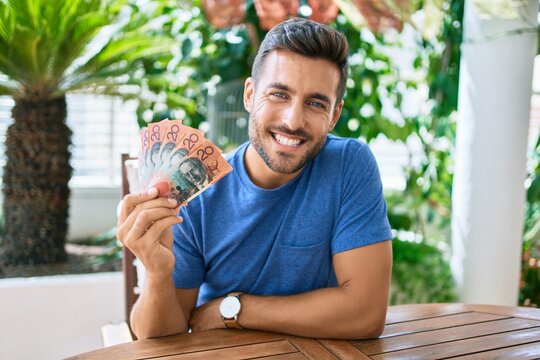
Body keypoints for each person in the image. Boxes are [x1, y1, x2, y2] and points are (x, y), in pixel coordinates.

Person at [117, 17, 392, 341]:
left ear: (334, 115)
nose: (293, 120)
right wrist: (158, 273)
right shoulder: (195, 186)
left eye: (316, 103)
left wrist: (233, 310)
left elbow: (365, 314)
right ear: (250, 95)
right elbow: (160, 339)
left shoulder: (349, 166)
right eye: (279, 94)